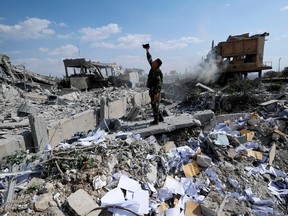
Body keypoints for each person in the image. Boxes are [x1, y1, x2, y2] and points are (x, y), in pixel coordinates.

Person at [144, 45, 164, 125]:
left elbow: (159, 84)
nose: (153, 62)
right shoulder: (153, 68)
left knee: (155, 105)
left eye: (154, 61)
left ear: (157, 64)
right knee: (154, 104)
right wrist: (147, 50)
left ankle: (156, 121)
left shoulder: (157, 72)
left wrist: (157, 93)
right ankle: (161, 118)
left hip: (155, 91)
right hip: (152, 90)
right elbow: (149, 59)